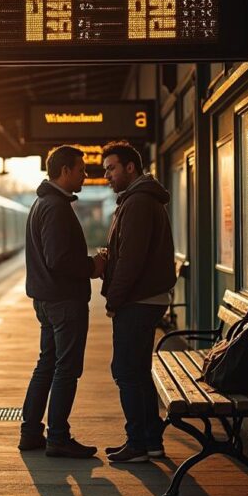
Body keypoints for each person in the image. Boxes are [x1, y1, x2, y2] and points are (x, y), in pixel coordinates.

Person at [20, 145, 107, 458]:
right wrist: (93, 266)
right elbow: (58, 259)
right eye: (81, 168)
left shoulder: (42, 203)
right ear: (65, 170)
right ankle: (57, 436)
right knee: (66, 369)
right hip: (63, 301)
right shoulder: (55, 207)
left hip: (47, 300)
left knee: (47, 365)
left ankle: (31, 432)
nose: (85, 173)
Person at [99, 140, 176, 464]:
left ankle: (138, 444)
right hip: (146, 298)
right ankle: (150, 441)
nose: (108, 176)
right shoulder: (139, 200)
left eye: (112, 168)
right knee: (138, 372)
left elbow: (131, 258)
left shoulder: (139, 202)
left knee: (126, 371)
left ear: (131, 167)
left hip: (138, 300)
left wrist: (113, 299)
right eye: (106, 170)